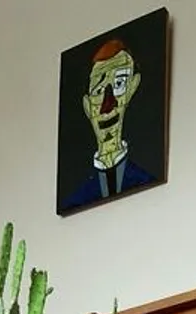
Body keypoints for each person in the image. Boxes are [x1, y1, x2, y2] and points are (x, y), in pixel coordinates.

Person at [62, 38, 155, 210]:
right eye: (98, 90)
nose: (108, 104)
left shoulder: (145, 179)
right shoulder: (75, 200)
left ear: (132, 88)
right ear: (88, 106)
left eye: (119, 84)